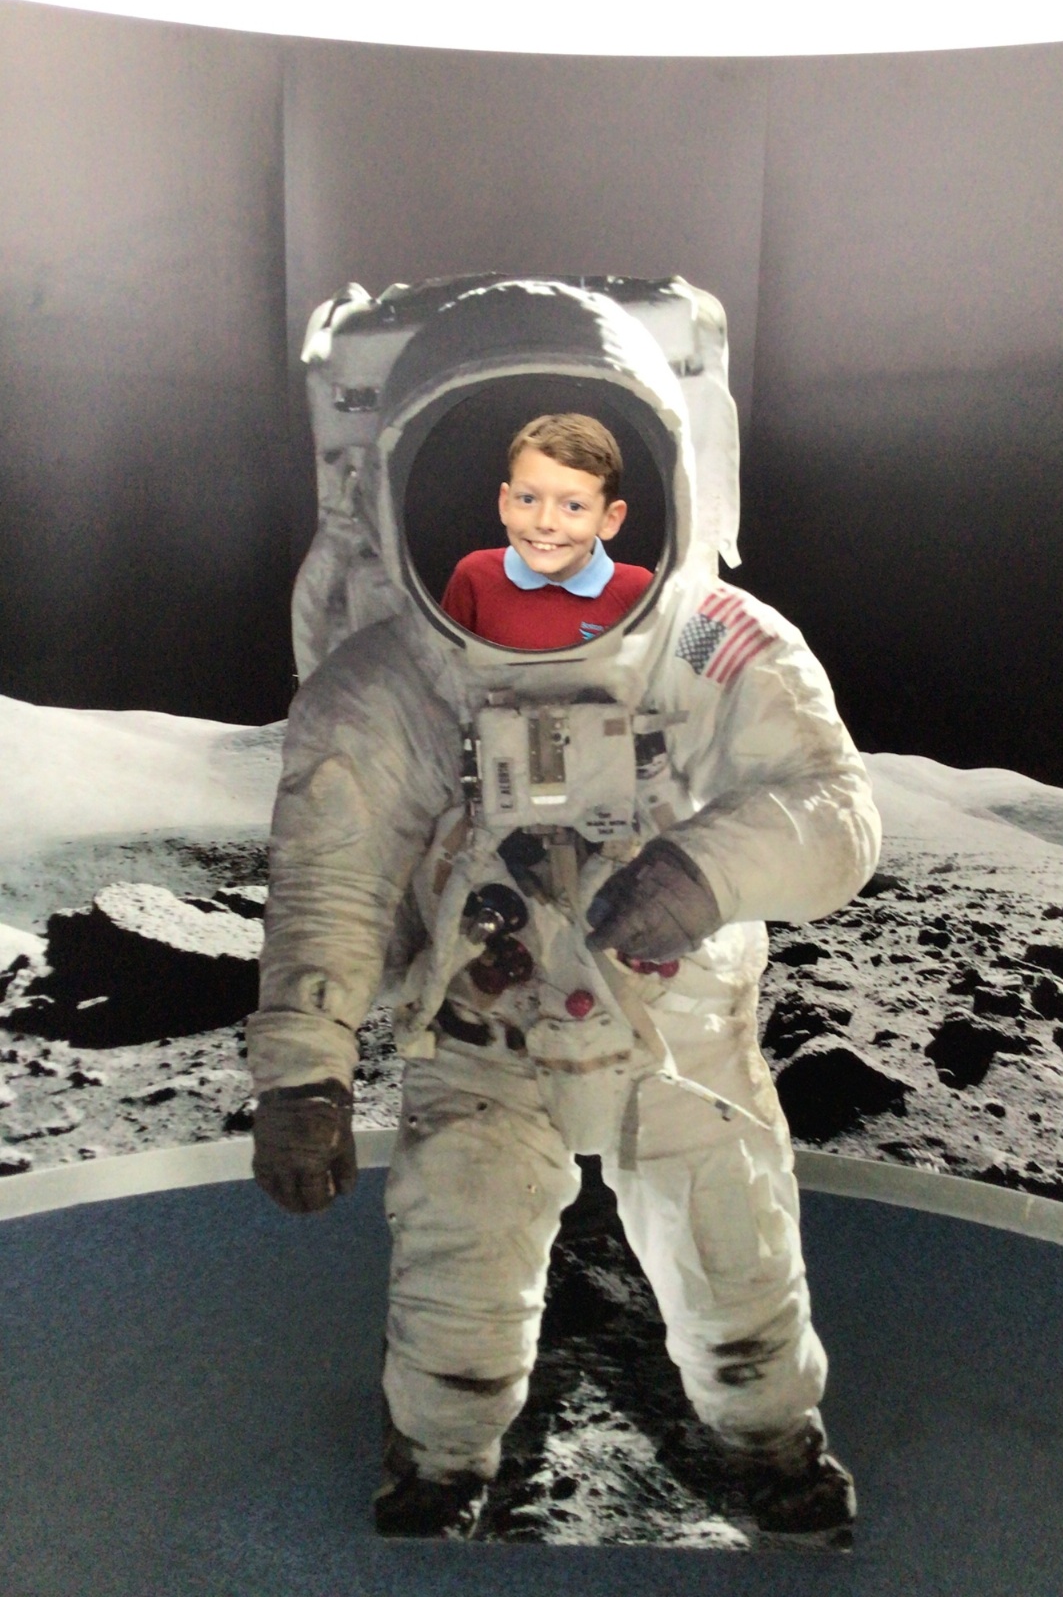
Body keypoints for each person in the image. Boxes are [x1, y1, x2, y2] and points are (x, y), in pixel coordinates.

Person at [247, 276, 882, 1547]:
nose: (549, 523)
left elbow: (834, 813)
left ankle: (772, 1441)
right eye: (520, 491)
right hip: (482, 1035)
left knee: (738, 1262)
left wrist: (703, 875)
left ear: (635, 494)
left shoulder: (703, 641)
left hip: (674, 1029)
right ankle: (439, 1463)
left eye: (576, 496)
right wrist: (304, 1072)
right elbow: (333, 878)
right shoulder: (398, 677)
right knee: (459, 1272)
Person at [439, 413, 652, 649]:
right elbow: (439, 665)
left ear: (609, 520)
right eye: (528, 499)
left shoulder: (640, 591)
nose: (545, 522)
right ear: (505, 504)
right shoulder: (474, 577)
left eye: (574, 506)